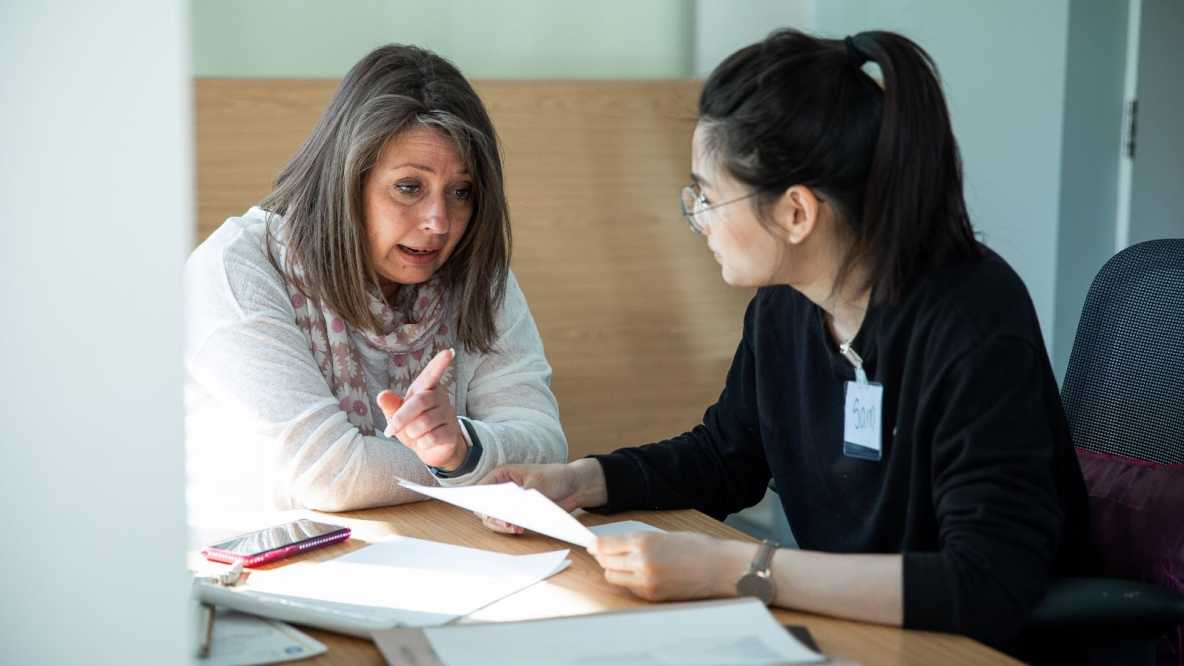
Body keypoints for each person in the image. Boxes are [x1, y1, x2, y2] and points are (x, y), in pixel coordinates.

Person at [480, 29, 1090, 658]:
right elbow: (726, 456)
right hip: (853, 636)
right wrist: (579, 482)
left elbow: (986, 581)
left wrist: (737, 569)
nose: (698, 220)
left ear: (797, 213)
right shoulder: (784, 308)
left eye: (709, 197)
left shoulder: (973, 320)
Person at [185, 45, 566, 518]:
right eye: (409, 187)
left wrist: (461, 449)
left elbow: (546, 445)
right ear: (346, 179)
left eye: (461, 192)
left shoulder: (473, 269)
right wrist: (461, 460)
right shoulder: (239, 268)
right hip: (251, 568)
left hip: (434, 552)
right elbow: (331, 476)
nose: (439, 223)